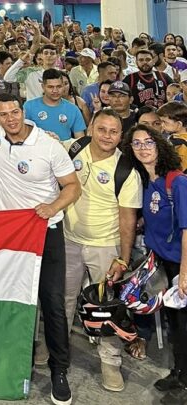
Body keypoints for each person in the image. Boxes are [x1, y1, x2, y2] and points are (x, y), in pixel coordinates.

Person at [0, 94, 81, 405]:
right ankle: (10, 362)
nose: (10, 118)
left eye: (14, 112)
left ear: (24, 112)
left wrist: (52, 207)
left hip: (46, 231)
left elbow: (73, 185)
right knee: (10, 299)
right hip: (11, 234)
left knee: (51, 302)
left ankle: (59, 371)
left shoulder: (48, 145)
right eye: (3, 114)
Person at [62, 109, 142, 392]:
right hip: (69, 240)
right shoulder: (73, 149)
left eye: (114, 131)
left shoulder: (126, 171)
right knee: (62, 301)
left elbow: (128, 219)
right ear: (91, 128)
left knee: (106, 308)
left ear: (121, 136)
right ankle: (56, 353)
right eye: (102, 129)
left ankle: (110, 363)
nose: (107, 136)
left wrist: (123, 256)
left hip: (105, 247)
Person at [122, 124, 187, 405]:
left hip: (180, 264)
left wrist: (185, 272)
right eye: (137, 144)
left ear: (159, 145)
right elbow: (156, 214)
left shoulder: (178, 182)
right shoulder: (148, 182)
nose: (143, 148)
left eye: (148, 142)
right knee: (175, 325)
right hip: (161, 262)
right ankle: (180, 372)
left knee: (184, 326)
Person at [24, 69, 87, 141]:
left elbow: (80, 140)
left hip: (63, 150)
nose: (55, 90)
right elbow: (22, 135)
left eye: (59, 86)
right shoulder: (29, 107)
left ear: (63, 86)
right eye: (50, 87)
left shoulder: (73, 109)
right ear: (43, 87)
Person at [157, 101, 187, 171]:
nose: (162, 125)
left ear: (179, 124)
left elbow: (180, 169)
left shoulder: (178, 143)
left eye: (165, 122)